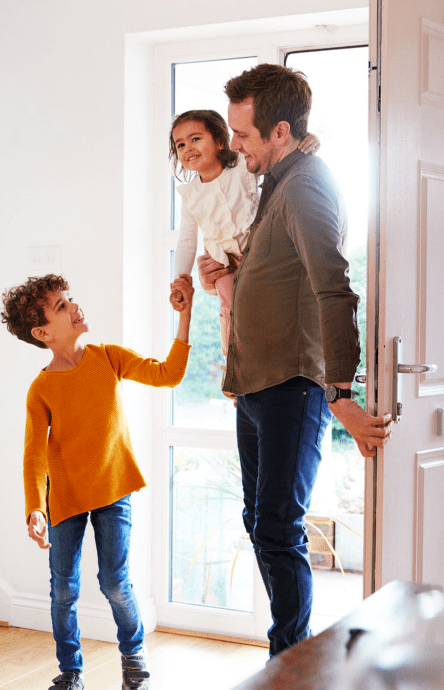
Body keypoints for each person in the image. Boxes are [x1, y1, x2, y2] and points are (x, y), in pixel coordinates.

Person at [197, 63, 393, 657]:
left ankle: (291, 661)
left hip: (290, 387)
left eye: (243, 135)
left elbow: (334, 287)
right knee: (262, 526)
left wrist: (342, 394)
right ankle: (290, 653)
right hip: (254, 388)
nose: (234, 147)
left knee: (277, 530)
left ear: (279, 132)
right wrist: (227, 277)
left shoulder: (305, 184)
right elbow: (277, 275)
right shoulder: (279, 181)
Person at [0, 272, 194, 690]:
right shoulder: (42, 389)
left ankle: (133, 656)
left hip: (112, 491)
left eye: (70, 298)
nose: (74, 306)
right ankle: (71, 672)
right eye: (62, 305)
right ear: (43, 332)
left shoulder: (109, 357)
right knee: (63, 592)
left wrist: (185, 316)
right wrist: (35, 505)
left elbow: (168, 375)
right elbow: (34, 453)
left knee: (114, 583)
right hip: (65, 499)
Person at [169, 109, 319, 358]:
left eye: (195, 139)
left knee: (269, 308)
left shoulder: (241, 165)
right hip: (225, 263)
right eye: (180, 144)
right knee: (229, 307)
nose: (187, 148)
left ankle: (276, 354)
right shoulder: (190, 194)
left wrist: (304, 144)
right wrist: (180, 280)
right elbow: (186, 241)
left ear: (219, 141)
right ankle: (234, 365)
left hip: (259, 253)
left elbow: (277, 163)